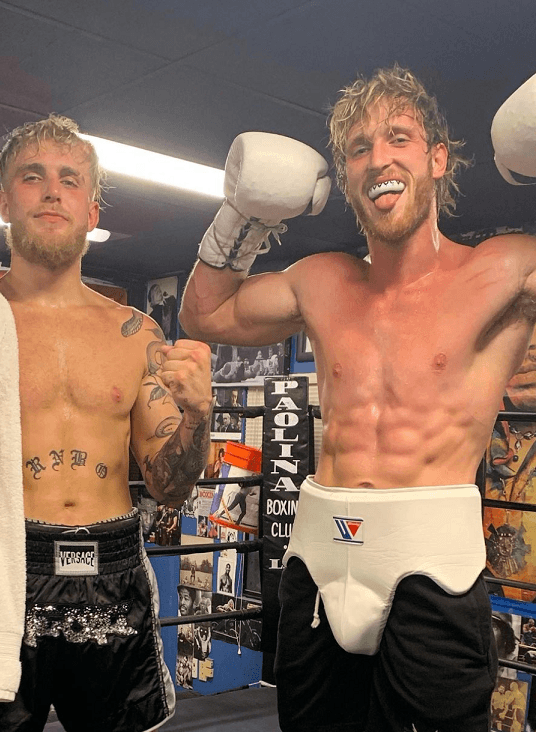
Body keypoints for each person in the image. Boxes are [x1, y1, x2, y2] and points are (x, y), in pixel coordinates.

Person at [180, 66, 536, 732]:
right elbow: (206, 314)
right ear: (345, 179)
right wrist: (242, 212)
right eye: (358, 148)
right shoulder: (321, 280)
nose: (378, 158)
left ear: (435, 158)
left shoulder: (504, 268)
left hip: (434, 567)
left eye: (397, 137)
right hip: (318, 560)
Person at [0, 114, 213, 732]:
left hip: (112, 569)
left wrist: (199, 414)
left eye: (70, 179)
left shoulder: (135, 333)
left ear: (92, 210)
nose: (52, 190)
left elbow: (172, 486)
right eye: (32, 178)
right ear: (4, 202)